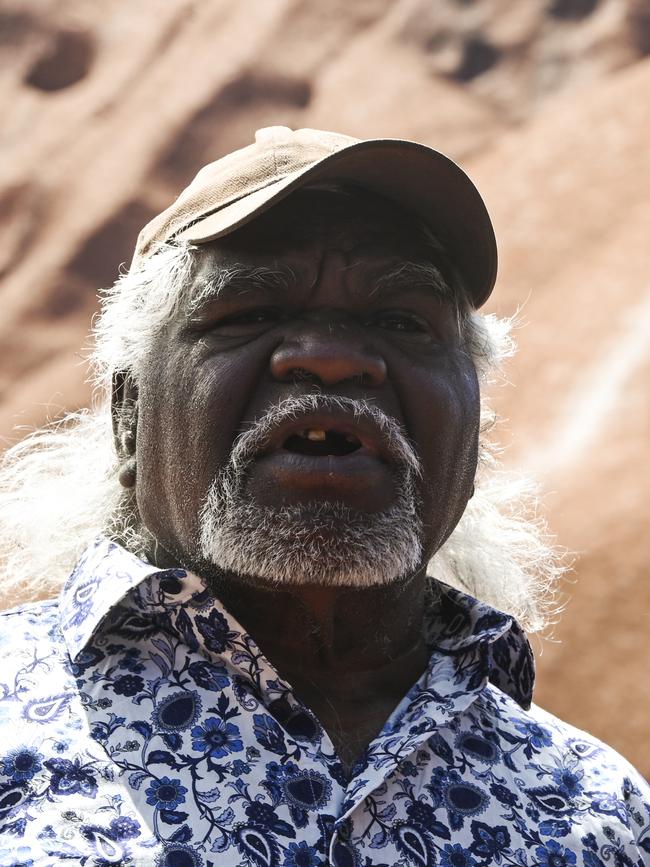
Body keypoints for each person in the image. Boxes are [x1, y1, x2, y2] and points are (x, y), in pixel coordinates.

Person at [0, 126, 646, 867]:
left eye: (402, 320)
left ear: (472, 426)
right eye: (248, 312)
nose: (333, 357)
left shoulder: (601, 813)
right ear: (129, 416)